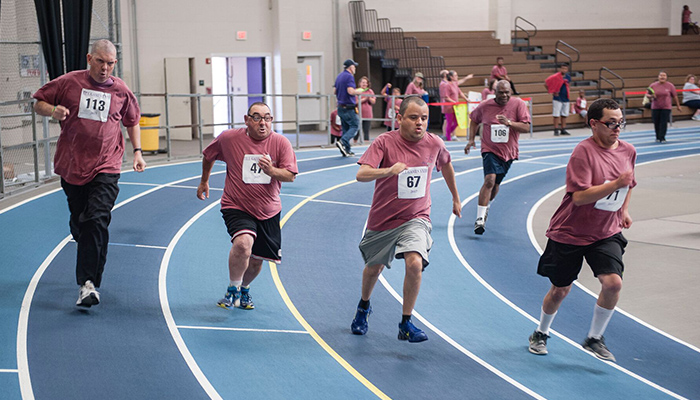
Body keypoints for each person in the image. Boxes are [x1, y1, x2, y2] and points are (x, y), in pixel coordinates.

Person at [32, 39, 145, 308]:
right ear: (89, 58)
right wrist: (53, 111)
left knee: (96, 219)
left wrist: (138, 151)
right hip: (72, 165)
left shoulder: (121, 90)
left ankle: (88, 284)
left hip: (106, 165)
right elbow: (38, 101)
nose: (105, 68)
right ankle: (89, 262)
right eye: (100, 61)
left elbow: (132, 121)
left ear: (115, 64)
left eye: (110, 63)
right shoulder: (69, 82)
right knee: (81, 226)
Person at [528, 99, 636, 363]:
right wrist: (614, 185)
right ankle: (541, 333)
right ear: (594, 124)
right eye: (611, 123)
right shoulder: (582, 153)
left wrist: (622, 209)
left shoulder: (628, 151)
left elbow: (629, 184)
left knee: (613, 283)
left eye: (620, 122)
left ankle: (594, 338)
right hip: (571, 232)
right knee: (560, 290)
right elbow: (579, 198)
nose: (617, 128)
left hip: (605, 231)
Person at [349, 96, 461, 343]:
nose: (419, 123)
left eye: (424, 118)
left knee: (414, 263)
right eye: (413, 118)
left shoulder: (435, 143)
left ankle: (406, 322)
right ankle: (364, 306)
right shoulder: (384, 142)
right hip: (384, 218)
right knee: (373, 269)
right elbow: (361, 174)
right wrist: (389, 170)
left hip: (416, 216)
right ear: (399, 118)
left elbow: (447, 164)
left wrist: (456, 197)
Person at [197, 102, 298, 311]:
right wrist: (204, 180)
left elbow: (290, 175)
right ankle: (232, 290)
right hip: (236, 204)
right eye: (257, 117)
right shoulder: (229, 138)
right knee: (243, 244)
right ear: (246, 120)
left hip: (268, 209)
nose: (263, 123)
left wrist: (272, 171)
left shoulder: (281, 143)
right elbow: (208, 155)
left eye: (268, 118)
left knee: (256, 261)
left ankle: (244, 288)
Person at [464, 80, 530, 235]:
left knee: (496, 184)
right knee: (489, 180)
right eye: (501, 92)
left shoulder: (518, 104)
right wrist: (471, 139)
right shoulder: (485, 106)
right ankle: (479, 219)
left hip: (508, 151)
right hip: (489, 149)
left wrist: (509, 123)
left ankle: (486, 206)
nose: (504, 95)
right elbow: (474, 120)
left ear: (511, 92)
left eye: (507, 92)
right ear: (495, 92)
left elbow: (526, 127)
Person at [334, 59, 361, 157]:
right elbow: (350, 91)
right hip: (349, 107)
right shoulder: (349, 77)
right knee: (355, 125)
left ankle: (347, 149)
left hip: (340, 107)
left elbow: (334, 91)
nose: (355, 68)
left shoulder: (339, 76)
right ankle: (343, 141)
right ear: (351, 67)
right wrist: (359, 91)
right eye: (354, 66)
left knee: (345, 128)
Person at [647, 71, 682, 143]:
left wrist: (678, 106)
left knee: (663, 122)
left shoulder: (670, 86)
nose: (662, 77)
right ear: (658, 77)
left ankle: (662, 137)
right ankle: (657, 136)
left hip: (666, 107)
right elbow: (647, 94)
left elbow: (675, 96)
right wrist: (651, 96)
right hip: (655, 107)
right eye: (661, 75)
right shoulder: (653, 85)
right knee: (656, 122)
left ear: (666, 77)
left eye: (664, 76)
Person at [439, 70, 468, 141]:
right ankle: (448, 137)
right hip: (449, 107)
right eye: (455, 75)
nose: (457, 77)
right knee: (449, 122)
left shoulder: (455, 84)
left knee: (457, 122)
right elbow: (446, 97)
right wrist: (454, 102)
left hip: (455, 107)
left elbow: (460, 93)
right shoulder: (447, 85)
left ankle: (447, 133)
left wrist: (466, 99)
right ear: (451, 77)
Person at [545, 64, 572, 136]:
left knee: (564, 114)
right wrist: (552, 91)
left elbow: (568, 85)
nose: (564, 70)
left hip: (566, 97)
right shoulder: (555, 76)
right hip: (557, 98)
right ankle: (556, 129)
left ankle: (563, 129)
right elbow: (546, 82)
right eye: (563, 68)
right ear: (560, 69)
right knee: (556, 114)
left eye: (565, 69)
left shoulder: (568, 77)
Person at [356, 76, 376, 142]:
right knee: (357, 130)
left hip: (368, 114)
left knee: (366, 130)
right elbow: (355, 102)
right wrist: (364, 99)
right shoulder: (357, 91)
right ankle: (354, 142)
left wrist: (369, 98)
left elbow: (373, 101)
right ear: (360, 83)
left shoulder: (370, 91)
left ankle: (366, 143)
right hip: (358, 113)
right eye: (363, 82)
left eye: (365, 83)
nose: (364, 84)